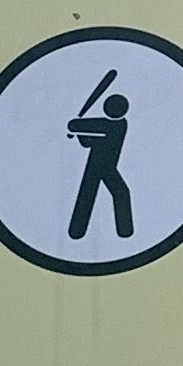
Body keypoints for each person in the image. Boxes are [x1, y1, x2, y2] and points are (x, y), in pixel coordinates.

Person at [65, 70, 134, 242]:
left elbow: (76, 126)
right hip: (97, 166)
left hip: (104, 167)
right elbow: (89, 142)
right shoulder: (119, 124)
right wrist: (79, 133)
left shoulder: (114, 126)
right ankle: (77, 232)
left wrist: (75, 125)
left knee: (116, 193)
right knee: (96, 195)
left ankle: (124, 232)